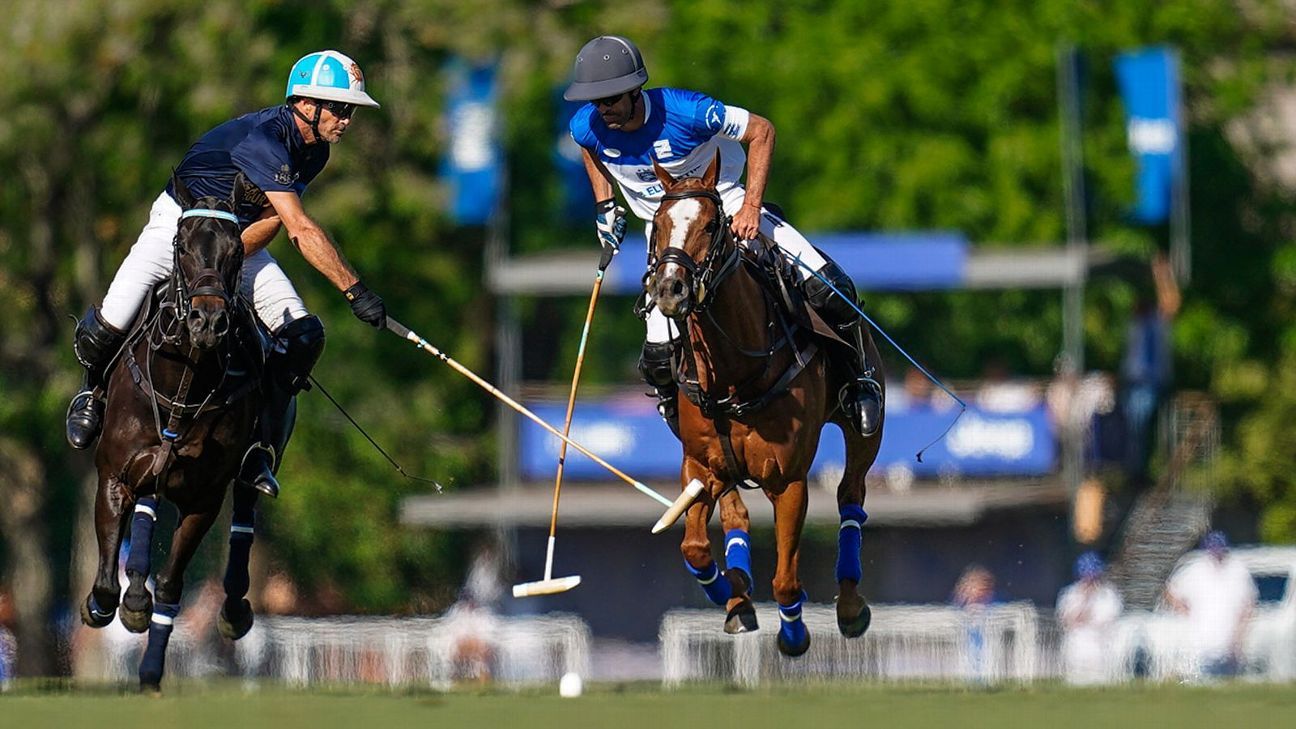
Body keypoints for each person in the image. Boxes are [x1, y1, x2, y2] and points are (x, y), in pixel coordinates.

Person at [64, 50, 388, 499]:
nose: (347, 119)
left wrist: (224, 262)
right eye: (340, 108)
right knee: (109, 323)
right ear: (306, 105)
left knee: (303, 336)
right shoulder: (266, 140)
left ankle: (258, 446)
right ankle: (91, 394)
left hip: (235, 241)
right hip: (176, 228)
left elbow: (273, 221)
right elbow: (300, 228)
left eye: (350, 110)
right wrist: (355, 290)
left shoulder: (315, 151)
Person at [563, 35, 882, 438]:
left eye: (609, 99)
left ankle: (860, 380)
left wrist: (751, 206)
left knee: (831, 290)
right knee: (658, 356)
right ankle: (675, 413)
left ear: (632, 90)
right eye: (595, 101)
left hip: (726, 203)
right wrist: (605, 206)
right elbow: (588, 147)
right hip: (667, 232)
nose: (602, 109)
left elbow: (762, 131)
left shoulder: (688, 111)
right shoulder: (588, 125)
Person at [1163, 531, 1257, 678]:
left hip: (1228, 635)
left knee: (1226, 679)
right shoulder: (1195, 570)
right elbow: (1171, 590)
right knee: (1201, 677)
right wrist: (1184, 611)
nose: (1216, 554)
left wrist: (1240, 633)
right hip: (1200, 636)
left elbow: (1248, 605)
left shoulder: (1237, 571)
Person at [1120, 253, 1180, 484]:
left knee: (1148, 431)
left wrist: (1162, 274)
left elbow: (1170, 302)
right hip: (1136, 383)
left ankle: (1145, 473)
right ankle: (1135, 474)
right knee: (1135, 432)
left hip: (1151, 383)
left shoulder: (1154, 322)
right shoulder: (1135, 325)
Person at [1056, 551, 1123, 685]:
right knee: (1076, 681)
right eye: (1086, 576)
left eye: (1093, 576)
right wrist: (1085, 600)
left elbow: (1107, 621)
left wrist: (1088, 611)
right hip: (1075, 644)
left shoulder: (1109, 594)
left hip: (1100, 644)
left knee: (1099, 681)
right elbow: (1068, 620)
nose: (1089, 580)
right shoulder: (1070, 594)